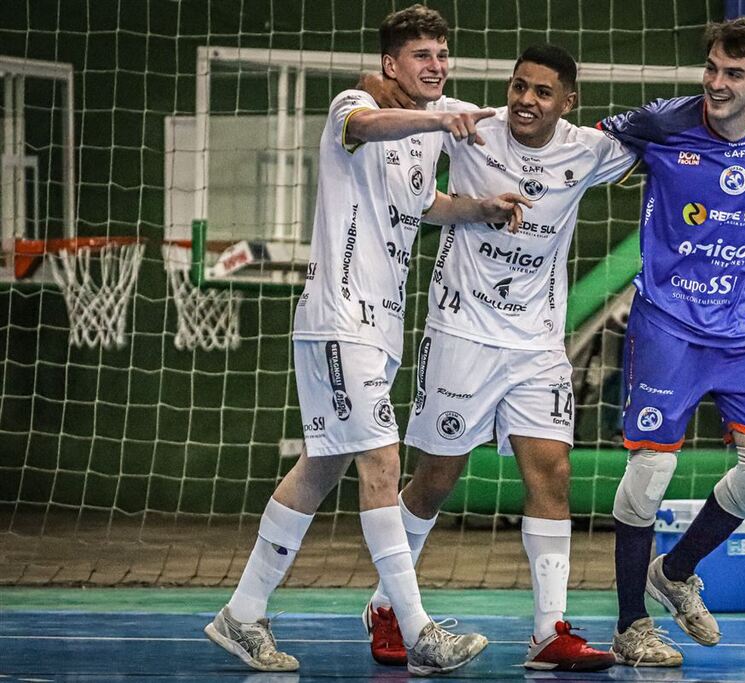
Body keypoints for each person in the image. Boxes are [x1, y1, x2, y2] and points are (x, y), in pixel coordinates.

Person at [203, 5, 531, 675]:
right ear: (391, 64)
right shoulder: (353, 106)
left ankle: (241, 613)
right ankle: (416, 628)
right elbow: (366, 124)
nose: (437, 65)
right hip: (338, 318)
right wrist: (440, 117)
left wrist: (478, 209)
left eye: (442, 54)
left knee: (321, 466)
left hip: (379, 327)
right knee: (382, 465)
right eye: (422, 56)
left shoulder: (425, 136)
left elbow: (422, 203)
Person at [358, 44, 637, 672]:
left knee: (554, 477)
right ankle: (387, 606)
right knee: (437, 478)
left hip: (536, 344)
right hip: (460, 333)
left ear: (568, 103)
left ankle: (548, 633)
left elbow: (664, 135)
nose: (525, 101)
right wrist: (419, 108)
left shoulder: (588, 149)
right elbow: (373, 84)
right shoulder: (470, 123)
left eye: (542, 92)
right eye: (518, 86)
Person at [597, 15, 745, 660]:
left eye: (734, 74)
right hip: (668, 323)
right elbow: (584, 146)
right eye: (712, 69)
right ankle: (629, 625)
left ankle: (673, 573)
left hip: (742, 329)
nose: (717, 83)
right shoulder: (665, 122)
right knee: (651, 471)